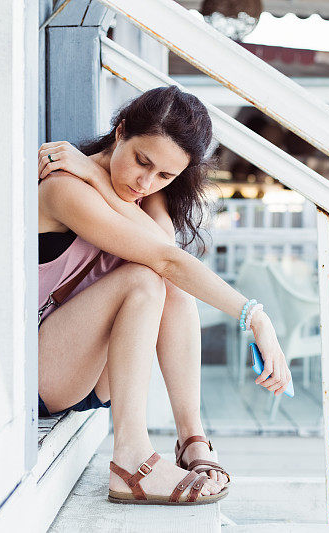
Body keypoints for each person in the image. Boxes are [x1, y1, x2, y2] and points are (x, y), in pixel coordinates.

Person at [36, 85, 291, 505]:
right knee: (145, 278)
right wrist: (255, 318)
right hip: (30, 370)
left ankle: (192, 438)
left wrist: (99, 175)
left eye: (165, 176)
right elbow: (165, 259)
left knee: (165, 282)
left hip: (85, 375)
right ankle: (130, 459)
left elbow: (167, 254)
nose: (145, 182)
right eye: (142, 161)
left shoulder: (137, 191)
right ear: (120, 132)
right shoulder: (63, 187)